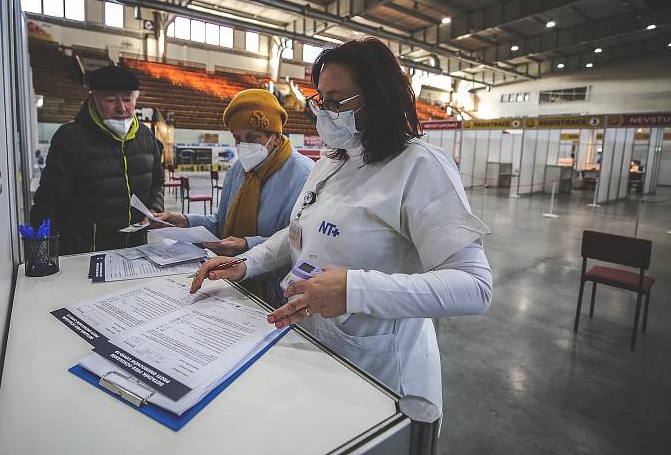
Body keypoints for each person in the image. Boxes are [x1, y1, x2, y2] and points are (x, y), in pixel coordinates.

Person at [190, 38, 493, 432]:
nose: (325, 112)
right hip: (313, 351)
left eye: (337, 102)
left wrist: (353, 289)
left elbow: (474, 286)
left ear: (379, 99)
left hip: (379, 370)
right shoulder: (332, 161)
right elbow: (297, 234)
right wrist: (246, 263)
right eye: (321, 100)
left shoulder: (420, 167)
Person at [155, 89, 313, 307]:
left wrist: (247, 244)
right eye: (238, 139)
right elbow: (222, 223)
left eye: (252, 138)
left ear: (275, 137)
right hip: (232, 282)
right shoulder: (238, 170)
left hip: (274, 292)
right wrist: (186, 220)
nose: (244, 146)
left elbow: (300, 241)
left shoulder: (303, 174)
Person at [31, 64, 164, 255]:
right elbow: (48, 203)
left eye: (128, 99)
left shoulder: (145, 135)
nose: (121, 108)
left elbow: (157, 182)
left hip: (136, 250)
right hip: (86, 254)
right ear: (93, 100)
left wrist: (154, 208)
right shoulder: (70, 138)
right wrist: (44, 253)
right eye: (110, 100)